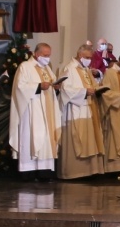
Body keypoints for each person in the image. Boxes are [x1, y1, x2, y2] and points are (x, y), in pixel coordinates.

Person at [56, 43, 106, 180]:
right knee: (78, 139)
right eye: (87, 57)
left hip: (89, 108)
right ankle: (74, 172)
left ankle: (89, 171)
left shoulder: (86, 70)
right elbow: (65, 89)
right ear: (80, 55)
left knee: (90, 139)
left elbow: (93, 86)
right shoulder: (69, 68)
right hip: (75, 110)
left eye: (90, 58)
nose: (89, 60)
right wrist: (84, 92)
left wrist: (97, 89)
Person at [10, 43, 60, 179]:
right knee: (31, 136)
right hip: (32, 109)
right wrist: (38, 86)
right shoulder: (25, 67)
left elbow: (52, 83)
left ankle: (45, 172)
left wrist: (56, 87)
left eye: (49, 55)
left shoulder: (47, 69)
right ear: (37, 54)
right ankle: (28, 171)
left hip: (47, 108)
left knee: (46, 139)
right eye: (45, 55)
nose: (47, 58)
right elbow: (20, 87)